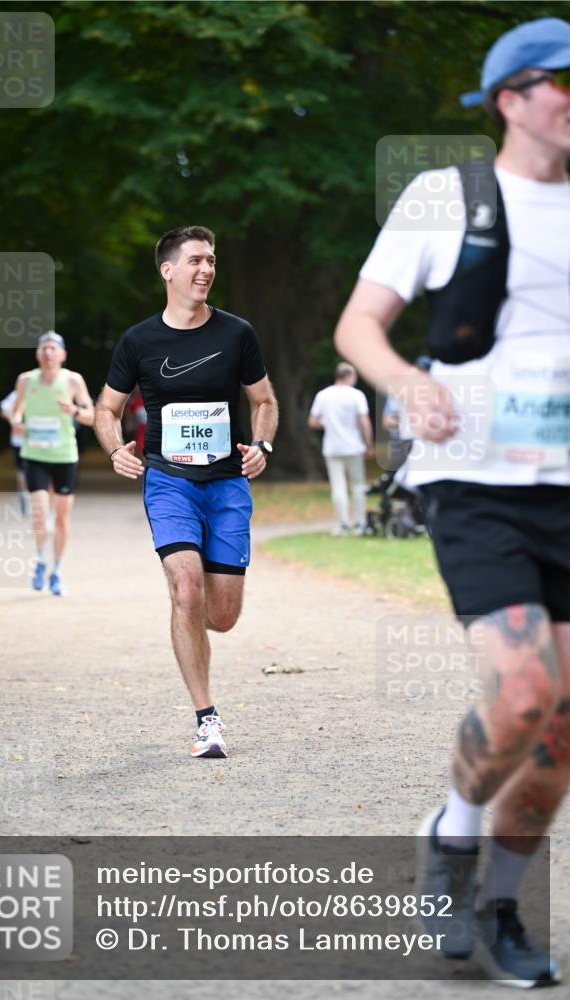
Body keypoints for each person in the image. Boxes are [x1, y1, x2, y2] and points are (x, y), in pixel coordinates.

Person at [335, 16, 570, 986]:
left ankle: (500, 905)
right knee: (522, 694)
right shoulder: (449, 196)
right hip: (474, 479)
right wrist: (405, 382)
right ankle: (453, 827)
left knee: (560, 731)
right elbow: (359, 324)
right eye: (567, 81)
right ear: (511, 98)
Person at [95, 226, 278, 759]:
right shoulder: (139, 341)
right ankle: (207, 720)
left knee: (222, 616)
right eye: (196, 260)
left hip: (226, 484)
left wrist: (262, 443)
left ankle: (189, 612)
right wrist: (114, 449)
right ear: (168, 270)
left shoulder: (237, 333)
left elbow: (264, 401)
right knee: (187, 590)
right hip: (168, 481)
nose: (206, 269)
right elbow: (106, 409)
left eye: (212, 260)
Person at [11, 331, 95, 596]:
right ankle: (40, 560)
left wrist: (75, 411)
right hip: (34, 454)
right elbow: (16, 409)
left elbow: (91, 416)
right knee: (39, 512)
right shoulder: (26, 380)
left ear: (63, 355)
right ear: (38, 354)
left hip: (64, 456)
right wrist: (16, 421)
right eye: (44, 348)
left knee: (61, 517)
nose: (48, 353)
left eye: (53, 348)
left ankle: (56, 570)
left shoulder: (73, 380)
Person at [307, 362, 374, 536]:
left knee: (338, 487)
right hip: (354, 447)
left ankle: (343, 524)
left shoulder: (323, 395)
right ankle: (359, 523)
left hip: (332, 447)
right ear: (350, 376)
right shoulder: (357, 395)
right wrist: (368, 444)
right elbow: (364, 422)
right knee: (358, 486)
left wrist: (325, 423)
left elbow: (313, 421)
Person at [0, 388, 29, 515]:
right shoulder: (18, 392)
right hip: (19, 441)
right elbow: (3, 410)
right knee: (22, 472)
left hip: (40, 442)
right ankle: (24, 498)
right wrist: (14, 421)